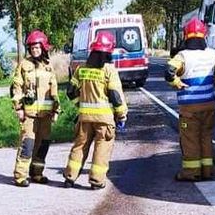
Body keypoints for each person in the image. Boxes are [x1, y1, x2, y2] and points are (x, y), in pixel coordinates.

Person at [165, 17, 215, 181]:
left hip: (189, 108)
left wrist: (177, 84)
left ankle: (191, 172)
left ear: (186, 35)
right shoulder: (214, 54)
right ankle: (207, 170)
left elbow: (169, 71)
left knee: (190, 139)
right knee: (206, 137)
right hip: (209, 105)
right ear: (204, 35)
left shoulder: (183, 56)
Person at [62, 32, 127, 189]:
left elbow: (70, 91)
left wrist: (80, 105)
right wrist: (121, 115)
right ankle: (96, 181)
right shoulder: (109, 71)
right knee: (102, 149)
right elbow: (115, 96)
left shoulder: (81, 69)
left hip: (84, 118)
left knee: (80, 146)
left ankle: (70, 178)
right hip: (104, 120)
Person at [9, 30, 59, 187]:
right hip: (29, 115)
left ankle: (37, 174)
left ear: (43, 47)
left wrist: (56, 110)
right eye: (31, 48)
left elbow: (54, 90)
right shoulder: (24, 65)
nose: (34, 50)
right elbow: (16, 88)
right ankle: (20, 176)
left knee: (43, 145)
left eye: (37, 47)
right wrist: (18, 108)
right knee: (27, 145)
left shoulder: (48, 66)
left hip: (45, 115)